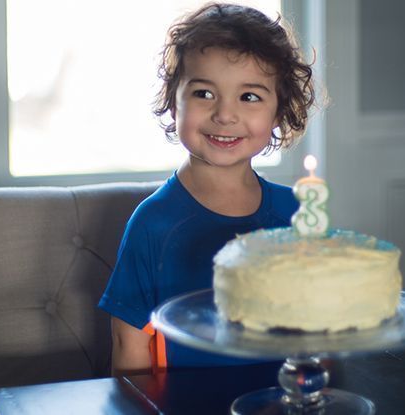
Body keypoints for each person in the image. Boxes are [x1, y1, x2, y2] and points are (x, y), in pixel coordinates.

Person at [98, 2, 314, 375]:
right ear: (173, 102)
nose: (225, 115)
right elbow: (128, 342)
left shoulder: (296, 212)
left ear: (279, 111)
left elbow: (318, 327)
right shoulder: (153, 223)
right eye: (203, 93)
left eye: (249, 97)